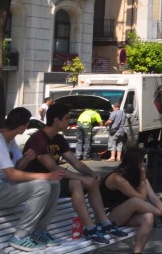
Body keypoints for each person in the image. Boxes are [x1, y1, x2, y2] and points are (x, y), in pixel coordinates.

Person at [24, 104, 128, 243]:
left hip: (54, 181)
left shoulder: (58, 138)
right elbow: (54, 168)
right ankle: (90, 228)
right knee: (76, 183)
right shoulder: (39, 139)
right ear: (56, 121)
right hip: (39, 183)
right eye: (66, 118)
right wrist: (82, 178)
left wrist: (91, 174)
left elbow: (76, 163)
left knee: (89, 181)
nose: (70, 122)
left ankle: (105, 224)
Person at [0, 107, 65, 252]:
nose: (27, 128)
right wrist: (46, 176)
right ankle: (20, 236)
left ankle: (39, 231)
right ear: (22, 127)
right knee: (42, 186)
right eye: (27, 125)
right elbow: (12, 175)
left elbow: (18, 168)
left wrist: (26, 159)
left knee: (54, 184)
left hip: (2, 187)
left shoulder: (10, 140)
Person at [102, 149, 162, 254]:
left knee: (148, 217)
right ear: (133, 163)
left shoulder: (139, 176)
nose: (144, 165)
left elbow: (153, 198)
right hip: (107, 218)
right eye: (142, 162)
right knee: (135, 201)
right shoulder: (117, 178)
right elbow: (140, 198)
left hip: (124, 215)